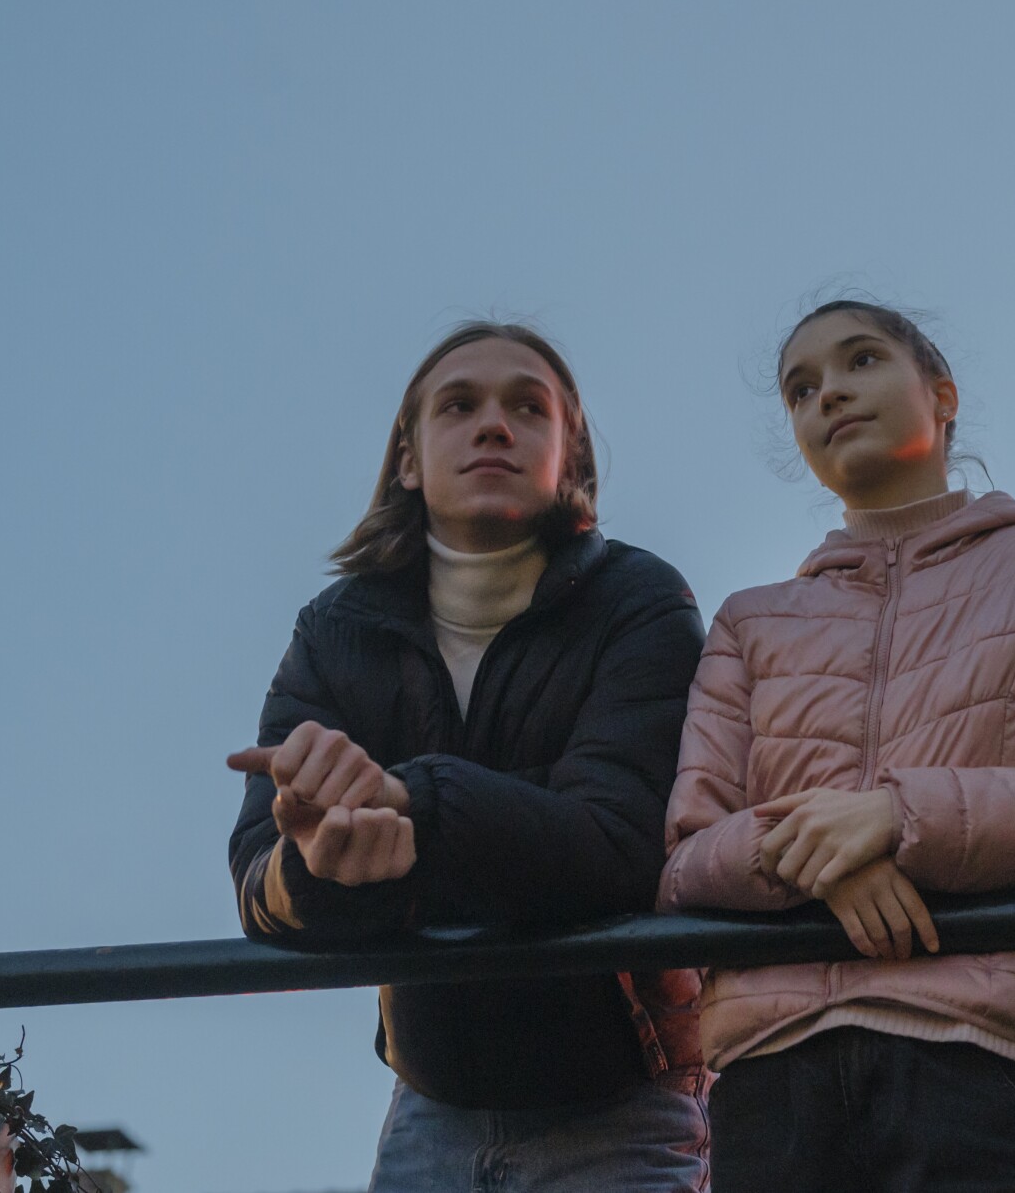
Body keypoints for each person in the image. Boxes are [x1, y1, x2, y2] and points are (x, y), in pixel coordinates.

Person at [658, 298, 1015, 1193]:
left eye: (860, 361)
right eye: (801, 388)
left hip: (980, 1054)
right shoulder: (750, 622)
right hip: (768, 1079)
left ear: (942, 394)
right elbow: (687, 859)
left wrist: (897, 818)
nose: (829, 396)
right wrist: (826, 858)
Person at [226, 321, 711, 1193]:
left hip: (623, 1107)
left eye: (529, 407)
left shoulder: (642, 603)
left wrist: (415, 805)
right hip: (428, 1109)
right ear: (407, 459)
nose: (494, 424)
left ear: (573, 464)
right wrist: (318, 864)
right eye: (460, 405)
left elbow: (618, 846)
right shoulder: (335, 631)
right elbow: (259, 886)